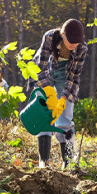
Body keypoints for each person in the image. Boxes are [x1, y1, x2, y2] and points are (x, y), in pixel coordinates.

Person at [29, 19, 88, 168]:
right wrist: (48, 91)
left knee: (66, 119)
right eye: (71, 41)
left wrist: (63, 98)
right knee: (44, 114)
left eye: (77, 42)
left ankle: (68, 162)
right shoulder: (49, 37)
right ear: (63, 34)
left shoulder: (82, 48)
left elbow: (74, 77)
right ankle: (44, 162)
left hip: (65, 75)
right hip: (46, 72)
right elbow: (39, 68)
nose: (74, 45)